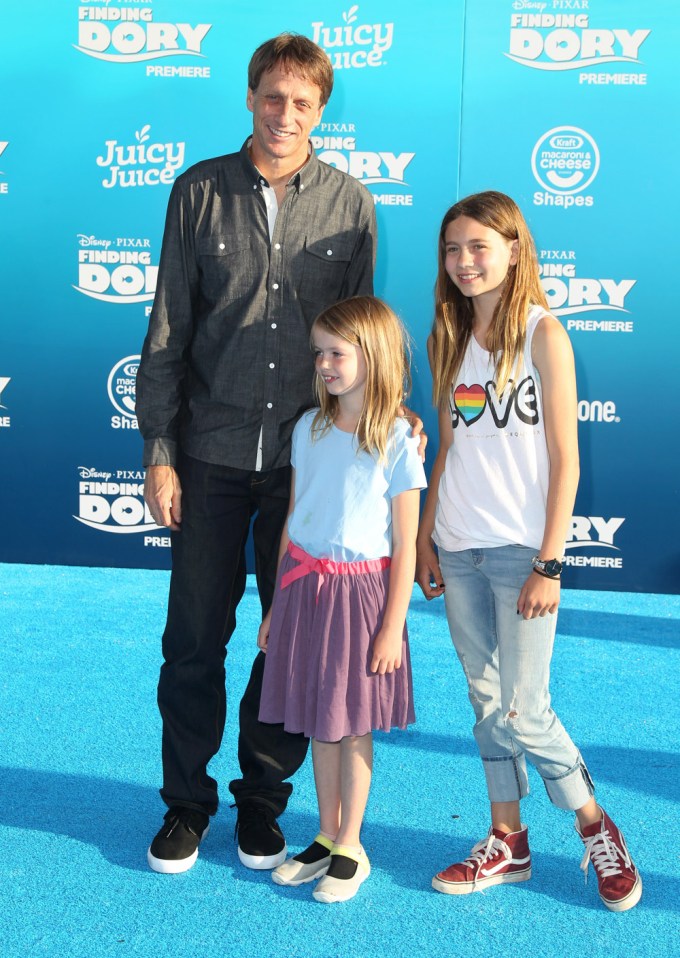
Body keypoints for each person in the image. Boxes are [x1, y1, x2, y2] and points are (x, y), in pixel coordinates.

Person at [136, 33, 378, 875]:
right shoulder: (197, 190)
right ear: (250, 98)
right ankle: (185, 806)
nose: (285, 115)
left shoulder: (350, 203)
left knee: (292, 644)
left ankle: (263, 805)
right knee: (195, 639)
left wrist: (386, 425)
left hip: (308, 467)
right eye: (272, 98)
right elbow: (166, 331)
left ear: (321, 110)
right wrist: (160, 452)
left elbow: (364, 341)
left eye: (302, 103)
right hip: (208, 451)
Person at [415, 191, 641, 912]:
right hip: (457, 546)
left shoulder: (545, 333)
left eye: (479, 246)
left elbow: (566, 460)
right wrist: (425, 538)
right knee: (485, 703)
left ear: (515, 248)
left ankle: (593, 823)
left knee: (524, 708)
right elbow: (448, 448)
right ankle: (506, 839)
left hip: (522, 553)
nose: (464, 262)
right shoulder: (445, 339)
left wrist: (550, 560)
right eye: (453, 249)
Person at [256, 296, 427, 902]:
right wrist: (275, 604)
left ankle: (352, 844)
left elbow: (406, 545)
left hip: (362, 601)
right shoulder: (310, 427)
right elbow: (294, 520)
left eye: (337, 353)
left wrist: (390, 626)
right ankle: (326, 835)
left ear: (373, 356)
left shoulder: (400, 439)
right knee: (318, 722)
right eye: (319, 353)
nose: (324, 365)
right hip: (304, 591)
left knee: (351, 724)